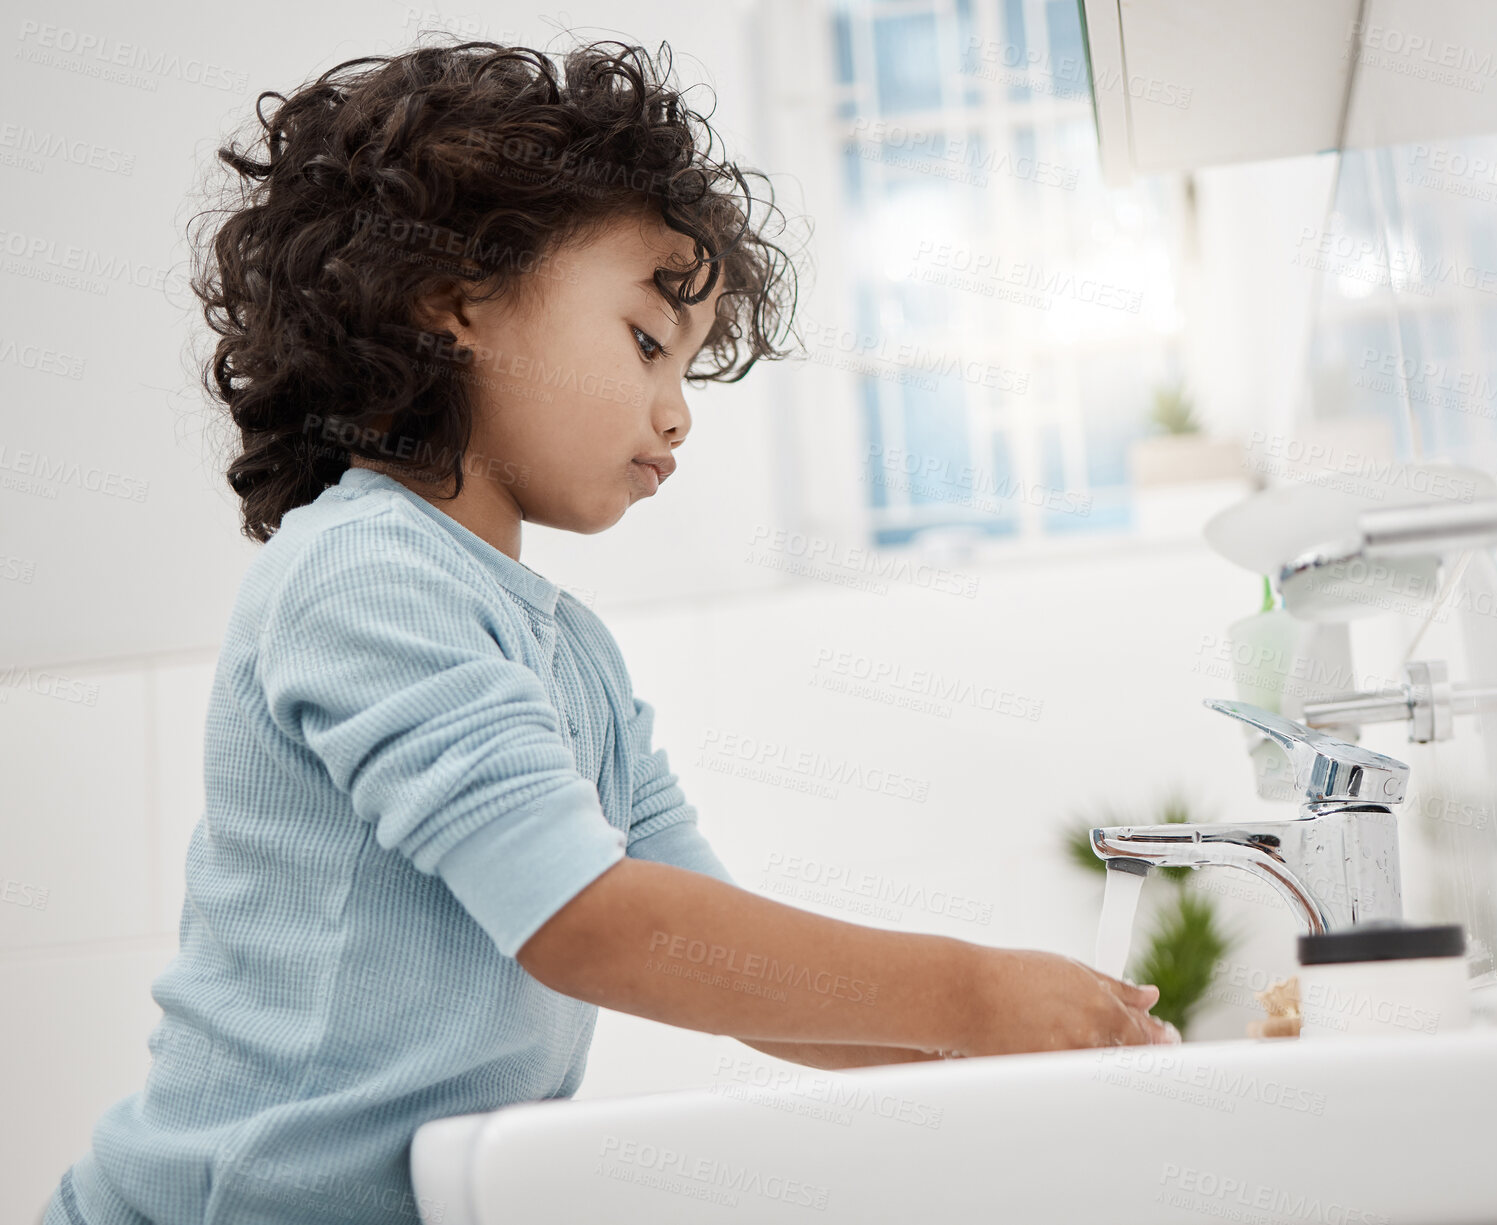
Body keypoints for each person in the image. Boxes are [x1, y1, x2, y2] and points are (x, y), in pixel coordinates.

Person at [42, 36, 1176, 1225]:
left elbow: (740, 979)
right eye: (646, 342)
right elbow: (590, 923)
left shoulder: (569, 654)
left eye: (689, 370)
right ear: (453, 300)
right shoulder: (362, 572)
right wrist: (980, 996)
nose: (677, 415)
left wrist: (1024, 1060)